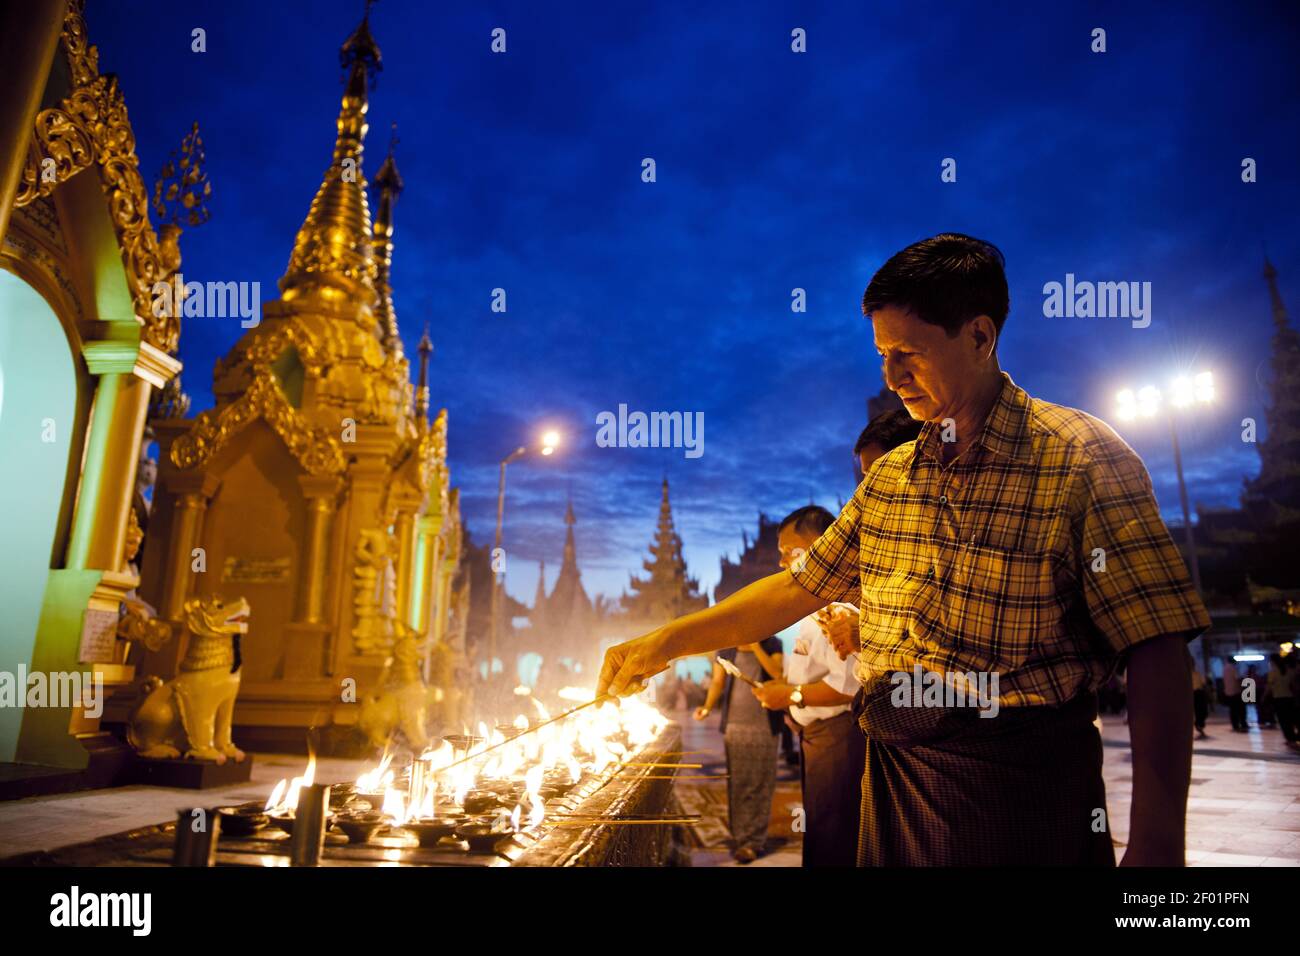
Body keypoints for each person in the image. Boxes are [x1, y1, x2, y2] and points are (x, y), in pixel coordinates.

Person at [599, 233, 1209, 866]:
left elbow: (1157, 644)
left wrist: (1159, 843)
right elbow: (799, 586)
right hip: (894, 787)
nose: (890, 377)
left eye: (908, 353)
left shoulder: (1080, 458)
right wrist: (665, 642)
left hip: (1018, 801)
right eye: (882, 354)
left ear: (980, 336)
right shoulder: (892, 478)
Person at [694, 637, 784, 863]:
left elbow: (777, 674)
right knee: (738, 783)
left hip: (764, 725)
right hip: (735, 726)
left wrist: (755, 646)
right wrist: (706, 708)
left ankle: (754, 840)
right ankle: (740, 837)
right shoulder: (725, 647)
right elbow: (717, 682)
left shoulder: (772, 644)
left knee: (761, 783)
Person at [1266, 653, 1298, 746]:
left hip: (1279, 699)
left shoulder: (1272, 673)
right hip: (1289, 698)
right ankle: (1293, 736)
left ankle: (1289, 738)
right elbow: (1293, 685)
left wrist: (1264, 697)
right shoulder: (1289, 671)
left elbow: (1269, 687)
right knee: (1290, 718)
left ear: (1272, 662)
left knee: (1283, 720)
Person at [1222, 659, 1248, 731]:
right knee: (1241, 709)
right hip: (1236, 691)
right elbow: (1237, 677)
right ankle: (1243, 723)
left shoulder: (1224, 668)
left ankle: (1235, 725)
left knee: (1233, 710)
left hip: (1228, 692)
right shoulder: (1233, 667)